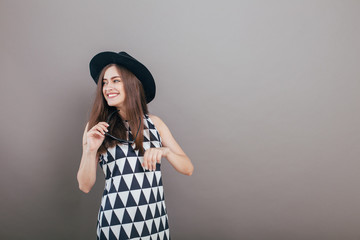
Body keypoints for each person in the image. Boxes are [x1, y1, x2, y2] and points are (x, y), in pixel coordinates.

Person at [77, 51, 194, 240]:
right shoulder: (96, 128)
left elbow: (188, 168)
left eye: (116, 80)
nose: (108, 87)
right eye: (105, 82)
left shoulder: (155, 123)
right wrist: (90, 150)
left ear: (132, 85)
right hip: (116, 223)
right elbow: (85, 185)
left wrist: (166, 152)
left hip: (155, 223)